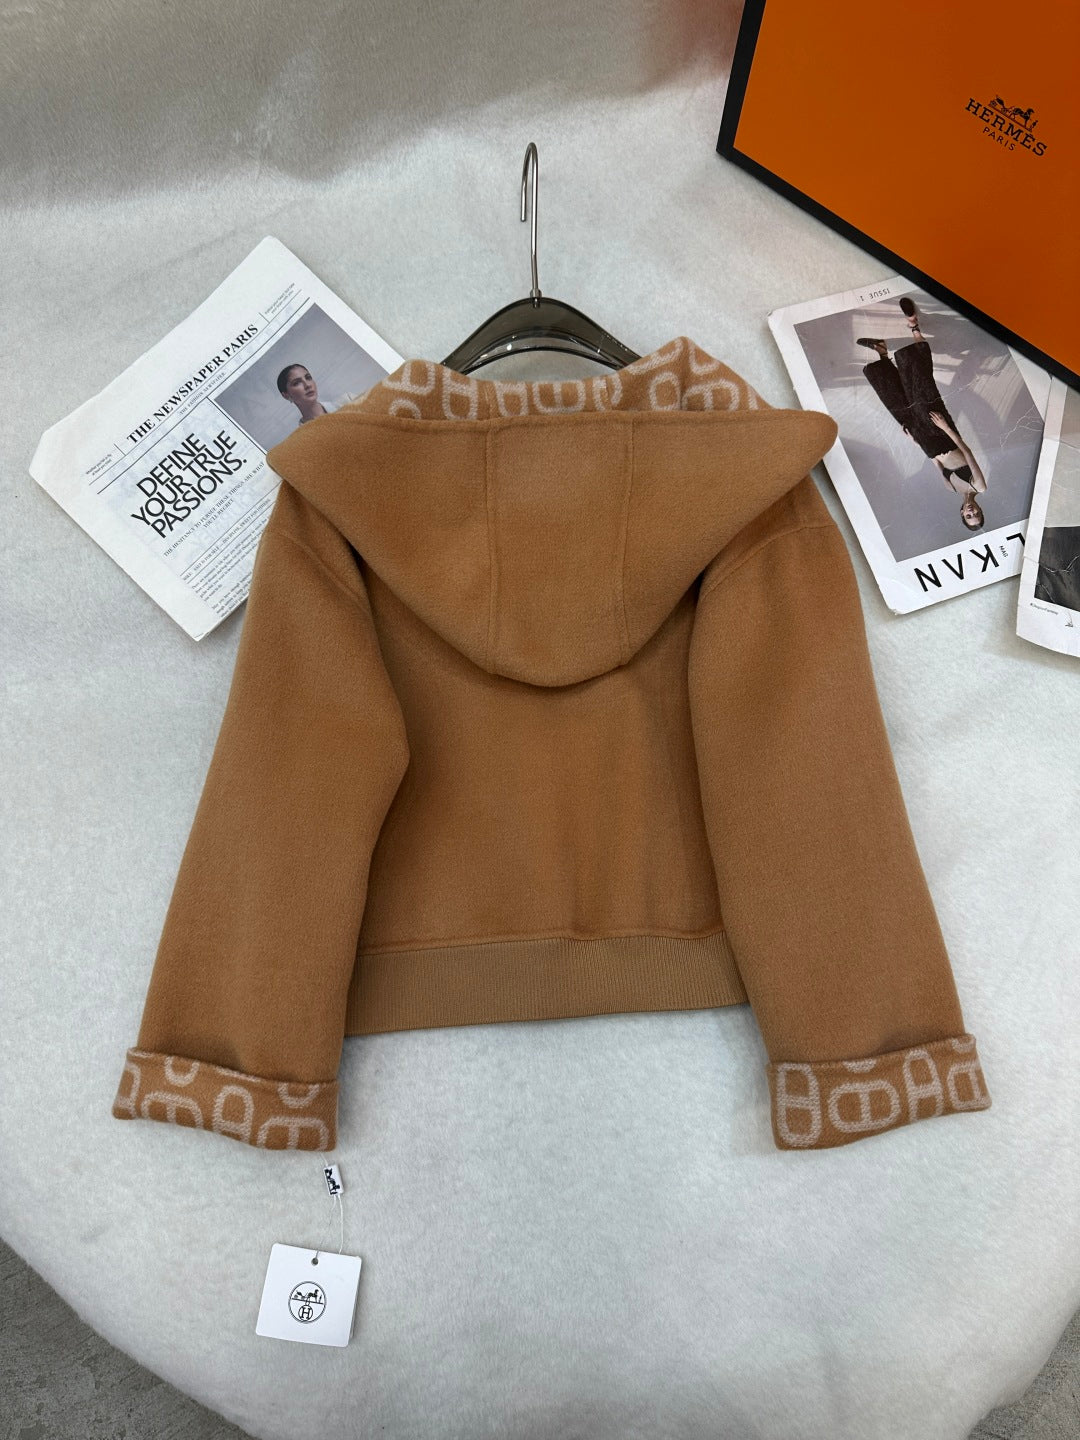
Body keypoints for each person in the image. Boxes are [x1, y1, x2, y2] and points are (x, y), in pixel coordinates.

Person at [858, 298, 986, 531]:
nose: (971, 512)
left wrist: (915, 441)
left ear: (962, 514)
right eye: (976, 514)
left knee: (894, 398)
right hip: (942, 432)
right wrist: (945, 427)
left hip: (924, 439)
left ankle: (881, 351)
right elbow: (966, 452)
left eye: (969, 516)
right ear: (980, 509)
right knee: (921, 385)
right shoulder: (979, 486)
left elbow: (935, 461)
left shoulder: (950, 488)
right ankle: (913, 325)